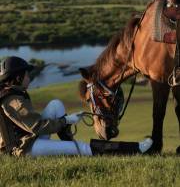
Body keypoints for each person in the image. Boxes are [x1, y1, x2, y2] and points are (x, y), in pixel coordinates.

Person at [0, 56, 153, 157]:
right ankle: (136, 149)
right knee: (83, 148)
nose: (29, 77)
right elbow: (38, 127)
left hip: (26, 141)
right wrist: (66, 121)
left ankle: (69, 144)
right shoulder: (13, 100)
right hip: (22, 150)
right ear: (18, 77)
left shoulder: (12, 94)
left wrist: (66, 120)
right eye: (27, 74)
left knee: (55, 105)